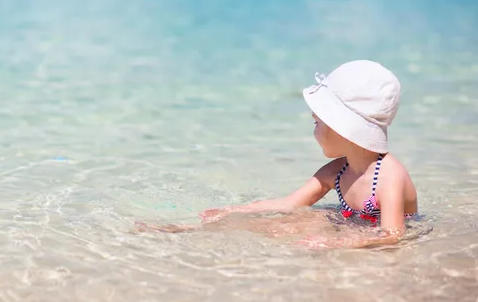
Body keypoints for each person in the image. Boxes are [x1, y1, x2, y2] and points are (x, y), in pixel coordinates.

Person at [138, 60, 419, 249]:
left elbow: (394, 234)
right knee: (277, 226)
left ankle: (182, 232)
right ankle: (185, 231)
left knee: (311, 229)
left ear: (341, 128)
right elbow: (290, 203)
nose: (314, 127)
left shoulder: (389, 177)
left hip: (378, 237)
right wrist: (236, 210)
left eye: (316, 122)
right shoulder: (337, 171)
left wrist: (341, 244)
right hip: (350, 223)